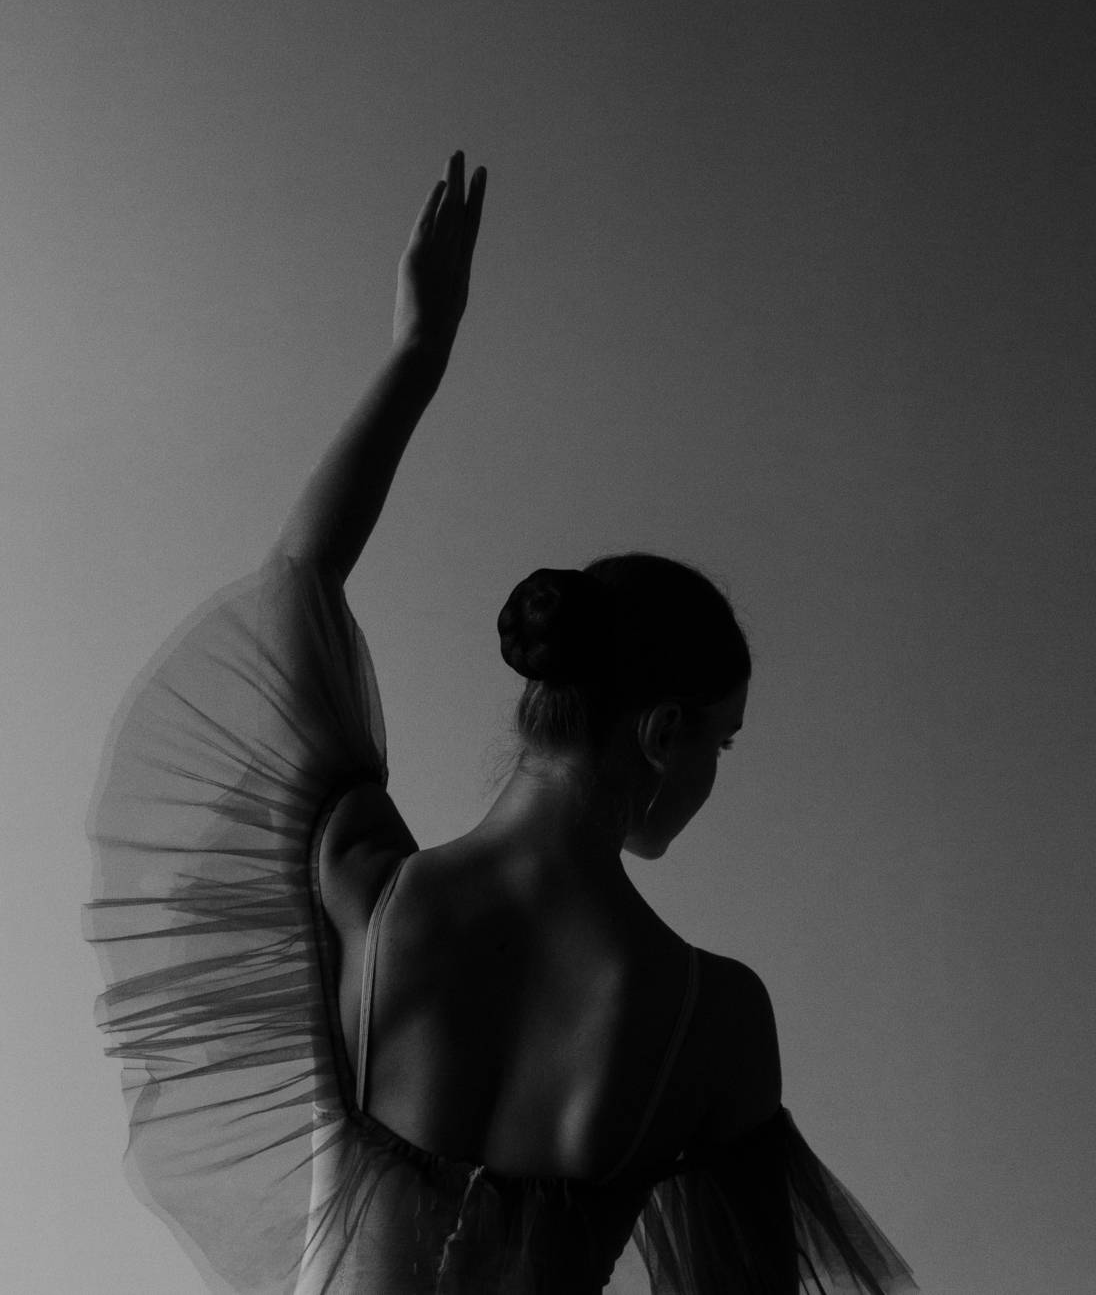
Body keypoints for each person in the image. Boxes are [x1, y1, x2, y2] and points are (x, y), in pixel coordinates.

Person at [84, 152, 916, 1294]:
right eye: (720, 742)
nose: (715, 774)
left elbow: (298, 584)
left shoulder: (365, 887)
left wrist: (417, 355)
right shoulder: (714, 1021)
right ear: (660, 733)